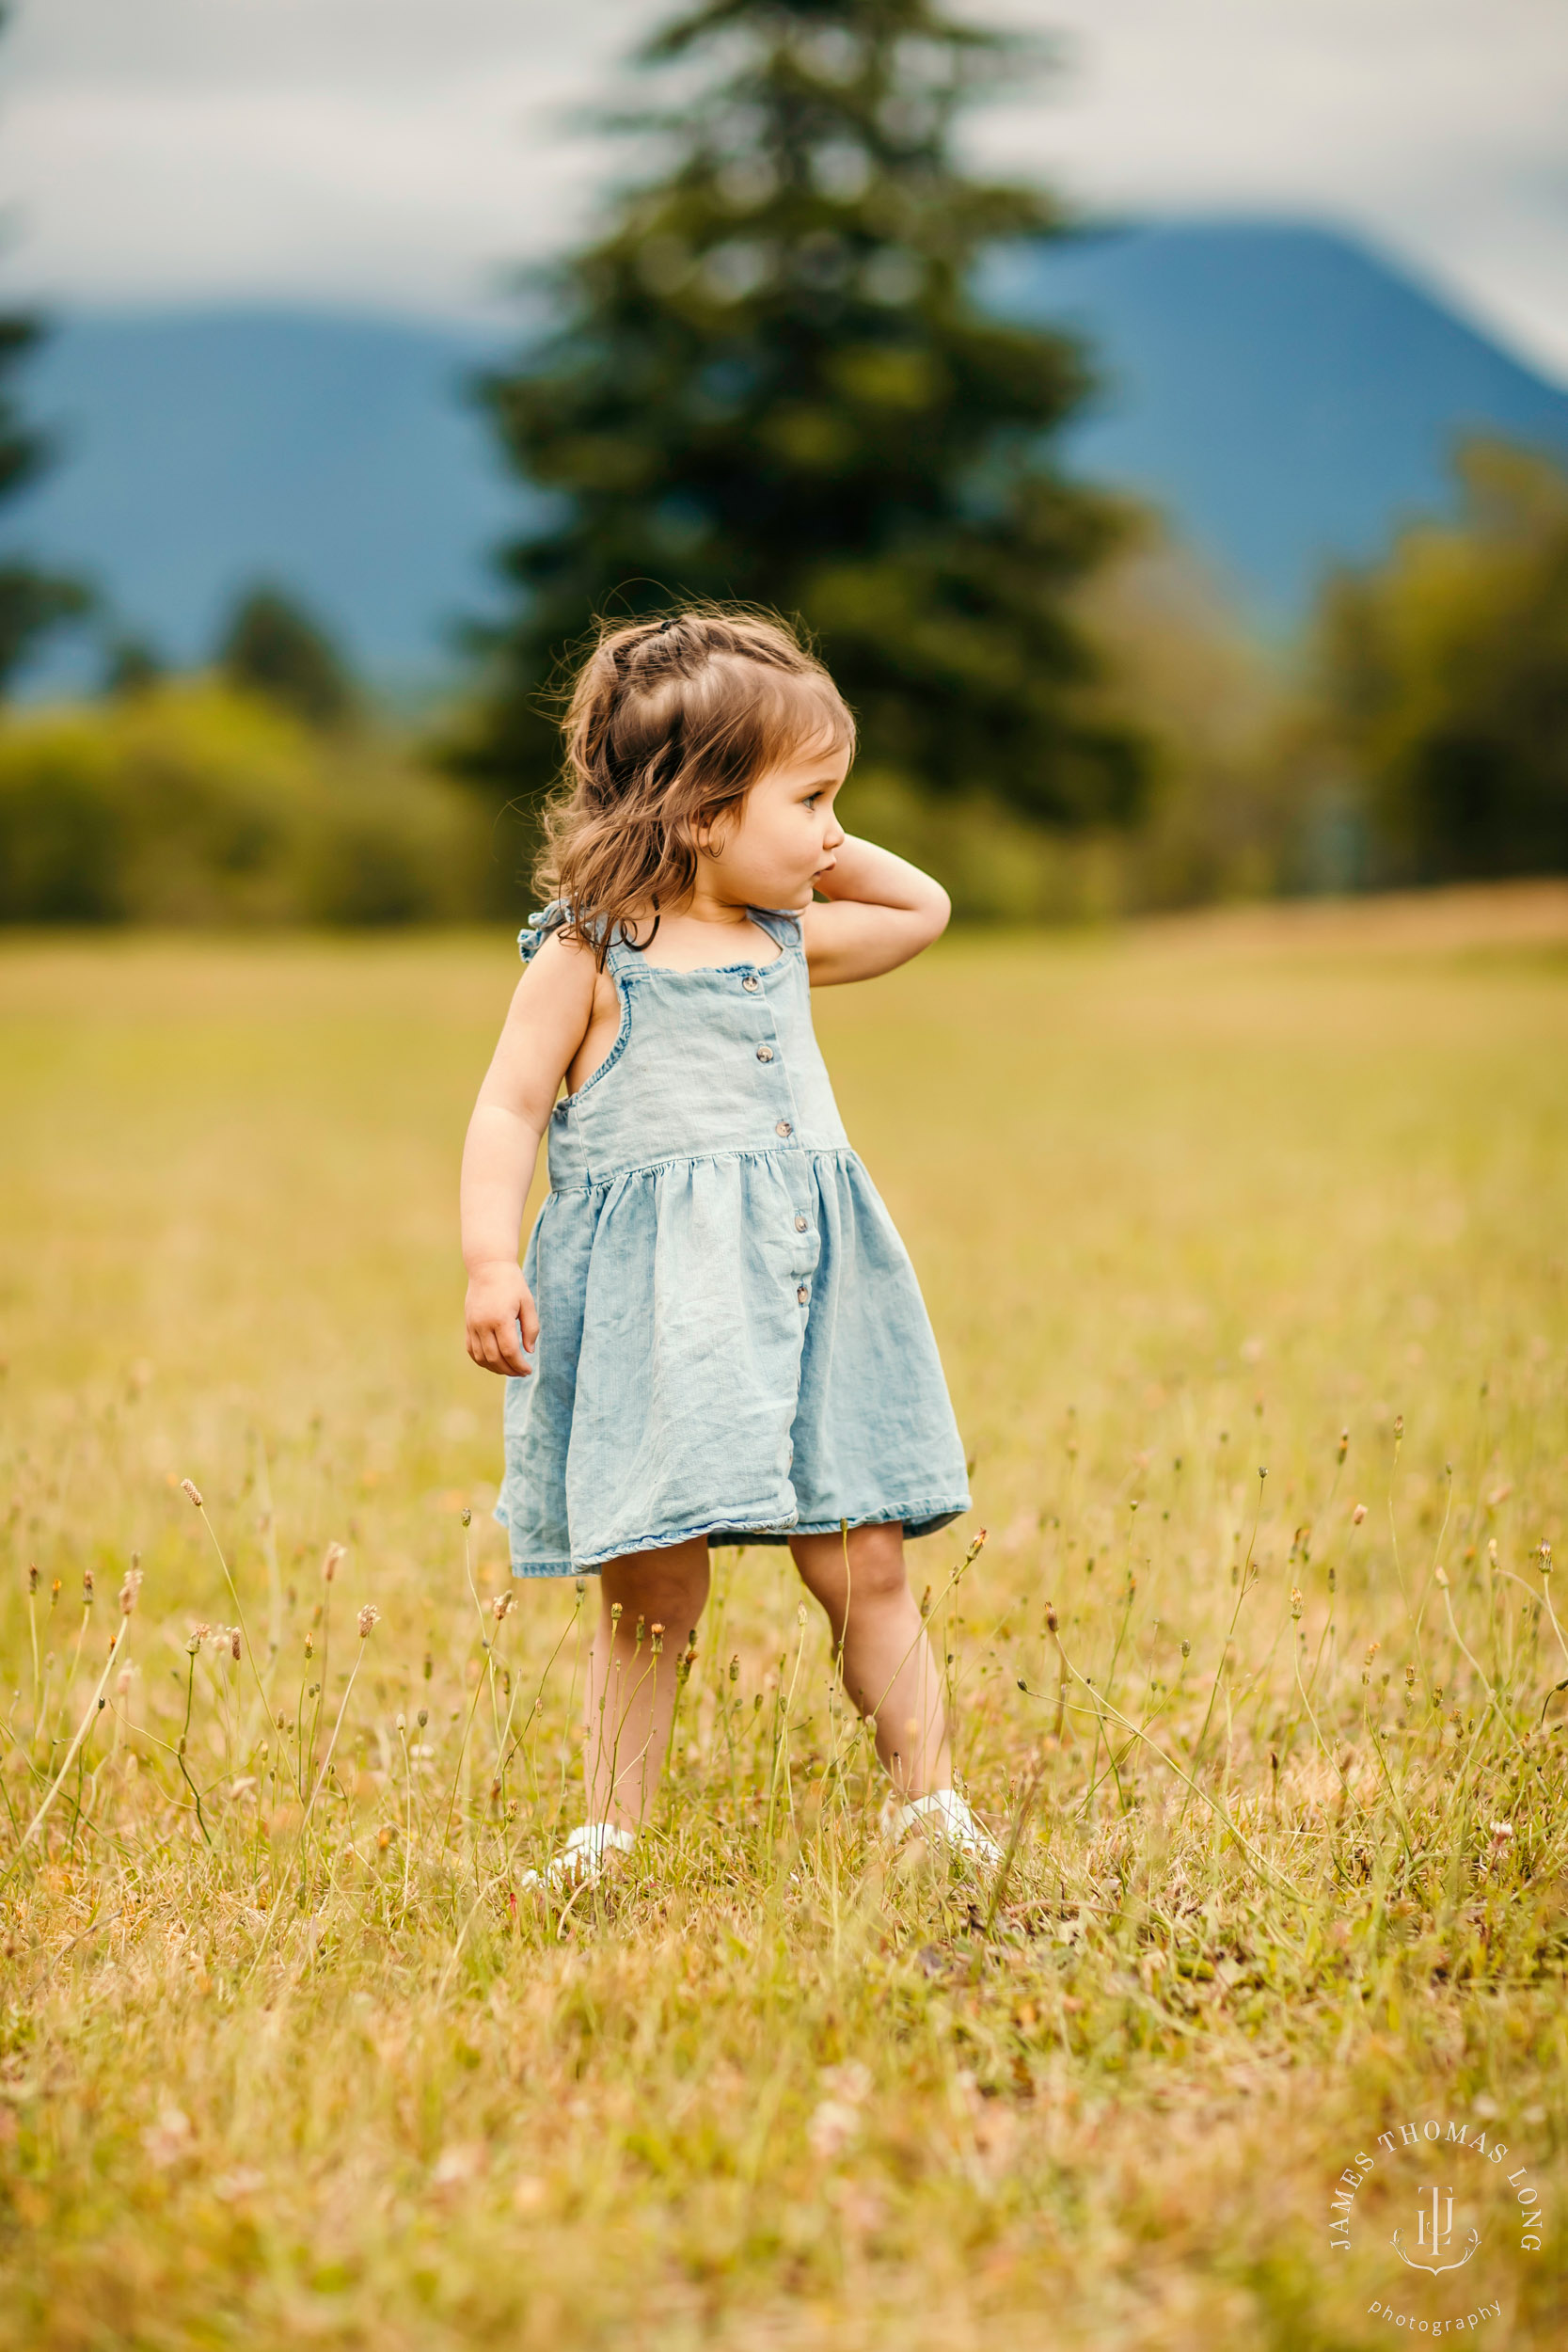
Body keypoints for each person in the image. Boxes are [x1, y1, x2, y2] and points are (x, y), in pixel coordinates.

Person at [460, 608, 998, 1885]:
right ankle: (607, 1835)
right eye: (812, 800)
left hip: (814, 1294)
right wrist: (491, 1260)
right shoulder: (590, 955)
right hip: (666, 1314)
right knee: (652, 1588)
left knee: (863, 1559)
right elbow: (508, 1109)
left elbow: (921, 907)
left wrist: (808, 838)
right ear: (702, 812)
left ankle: (930, 1808)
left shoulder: (782, 941)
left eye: (838, 802)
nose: (832, 833)